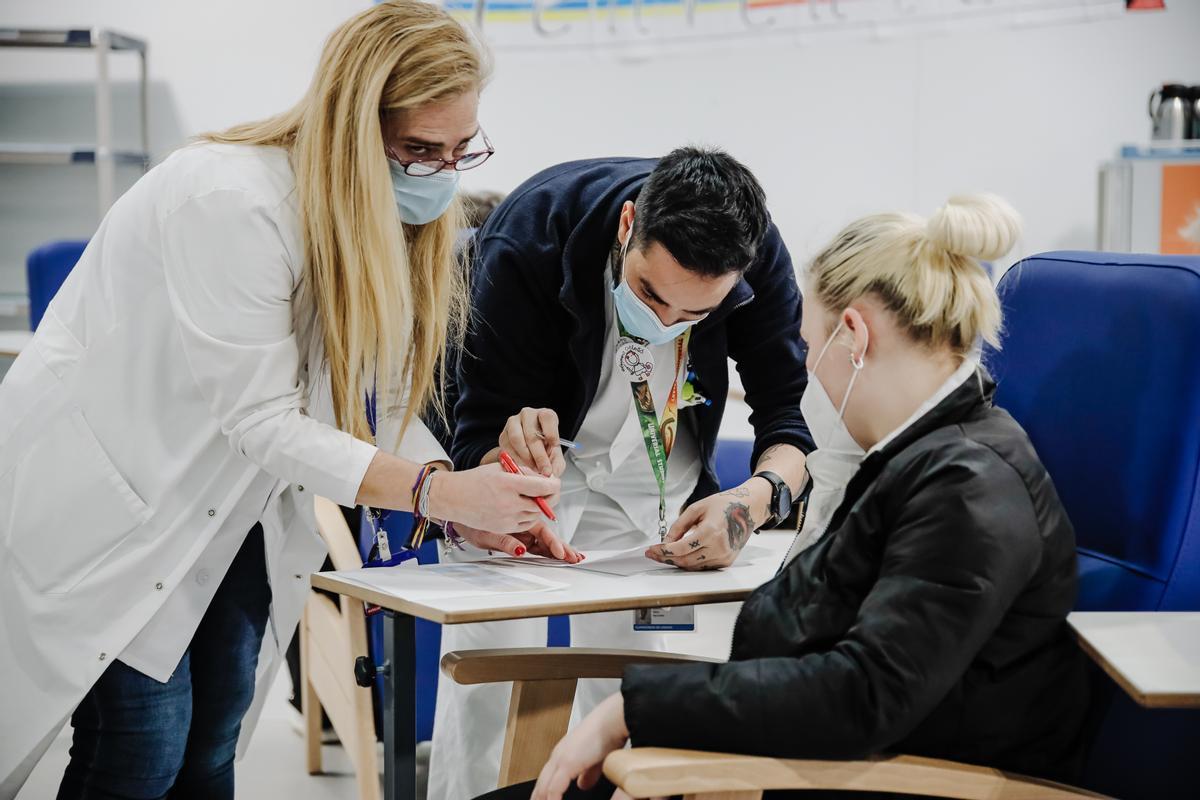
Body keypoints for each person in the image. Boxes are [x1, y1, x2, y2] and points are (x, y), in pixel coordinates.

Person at [0, 3, 568, 797]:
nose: (442, 173)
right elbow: (261, 420)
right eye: (419, 150)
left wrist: (467, 505)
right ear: (350, 129)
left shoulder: (383, 219)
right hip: (113, 508)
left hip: (229, 509)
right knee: (140, 750)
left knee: (212, 742)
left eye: (459, 149)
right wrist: (435, 491)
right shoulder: (230, 200)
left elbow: (390, 391)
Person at [489, 194, 1093, 800]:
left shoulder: (967, 489)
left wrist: (630, 709)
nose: (810, 376)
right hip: (785, 764)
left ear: (853, 336)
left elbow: (862, 695)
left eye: (810, 350)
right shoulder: (915, 461)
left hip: (874, 781)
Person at [430, 148, 814, 800]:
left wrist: (749, 504)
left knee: (642, 690)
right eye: (648, 294)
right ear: (628, 223)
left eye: (693, 315)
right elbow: (476, 435)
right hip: (541, 469)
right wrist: (506, 452)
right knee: (491, 680)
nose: (664, 323)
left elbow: (789, 428)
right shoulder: (529, 236)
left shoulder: (757, 260)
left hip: (656, 477)